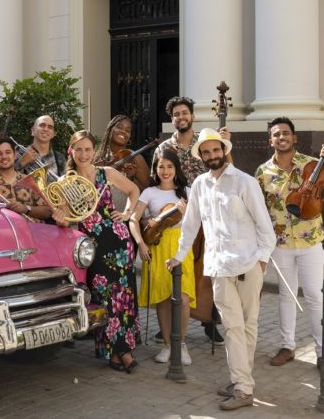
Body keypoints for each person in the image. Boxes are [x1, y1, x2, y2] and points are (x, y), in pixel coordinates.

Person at [166, 128, 276, 411]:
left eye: (216, 150)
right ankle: (242, 385)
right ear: (201, 155)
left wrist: (261, 261)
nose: (212, 155)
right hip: (218, 267)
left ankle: (242, 381)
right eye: (206, 152)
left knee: (248, 326)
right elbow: (190, 225)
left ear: (224, 151)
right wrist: (179, 255)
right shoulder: (200, 185)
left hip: (249, 265)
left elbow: (266, 228)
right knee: (232, 327)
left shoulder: (245, 182)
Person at [255, 117, 324, 368]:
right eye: (276, 134)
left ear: (294, 137)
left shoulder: (312, 164)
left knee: (315, 297)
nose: (281, 137)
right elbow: (258, 210)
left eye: (286, 133)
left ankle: (322, 352)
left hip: (310, 242)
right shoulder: (263, 172)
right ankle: (288, 346)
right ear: (270, 140)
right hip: (280, 243)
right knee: (286, 296)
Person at [52, 130, 145, 373]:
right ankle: (119, 351)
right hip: (92, 246)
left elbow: (134, 191)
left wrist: (126, 214)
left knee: (124, 296)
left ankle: (120, 352)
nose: (84, 154)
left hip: (119, 241)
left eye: (88, 149)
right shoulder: (65, 183)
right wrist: (60, 220)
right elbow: (67, 220)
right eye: (79, 149)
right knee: (106, 298)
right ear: (71, 151)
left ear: (94, 151)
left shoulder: (107, 172)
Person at [155, 96, 230, 345]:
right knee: (176, 269)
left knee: (206, 271)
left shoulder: (206, 144)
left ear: (192, 115)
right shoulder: (164, 147)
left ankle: (209, 320)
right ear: (172, 118)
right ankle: (170, 324)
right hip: (177, 216)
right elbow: (159, 178)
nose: (181, 117)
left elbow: (224, 172)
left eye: (184, 113)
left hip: (207, 215)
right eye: (176, 114)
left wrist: (227, 146)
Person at [128, 149, 195, 366]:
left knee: (183, 299)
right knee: (164, 299)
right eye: (161, 166)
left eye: (169, 166)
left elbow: (200, 221)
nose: (165, 171)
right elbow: (133, 220)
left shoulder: (186, 191)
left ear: (176, 169)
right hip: (156, 246)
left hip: (181, 246)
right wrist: (140, 243)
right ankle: (167, 344)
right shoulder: (148, 192)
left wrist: (187, 213)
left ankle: (181, 344)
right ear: (155, 168)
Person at [0, 138, 52, 221]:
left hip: (31, 231)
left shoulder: (30, 180)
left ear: (15, 155)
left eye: (8, 152)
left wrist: (26, 209)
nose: (4, 157)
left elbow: (48, 211)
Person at [94, 114, 150, 192]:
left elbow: (147, 192)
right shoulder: (98, 157)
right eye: (119, 127)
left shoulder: (135, 158)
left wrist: (132, 178)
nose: (123, 132)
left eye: (127, 130)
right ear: (110, 129)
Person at [14, 115, 66, 180]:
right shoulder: (19, 152)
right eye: (42, 125)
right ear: (33, 131)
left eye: (50, 127)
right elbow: (4, 178)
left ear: (53, 134)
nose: (46, 129)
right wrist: (21, 163)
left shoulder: (59, 158)